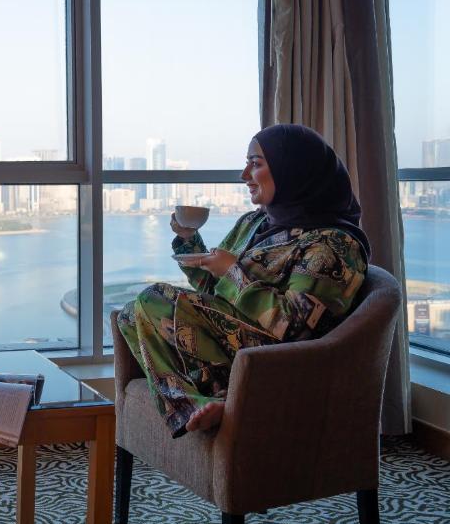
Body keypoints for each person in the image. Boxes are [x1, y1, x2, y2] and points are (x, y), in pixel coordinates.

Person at [117, 124, 370, 438]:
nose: (244, 175)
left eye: (256, 164)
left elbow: (297, 328)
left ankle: (204, 400)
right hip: (230, 339)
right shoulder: (256, 222)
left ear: (293, 169)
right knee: (130, 314)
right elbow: (212, 291)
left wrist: (233, 273)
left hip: (272, 358)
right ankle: (202, 400)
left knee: (153, 297)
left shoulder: (332, 244)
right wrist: (188, 240)